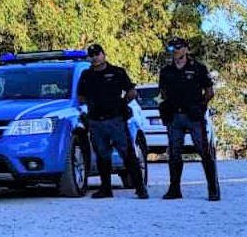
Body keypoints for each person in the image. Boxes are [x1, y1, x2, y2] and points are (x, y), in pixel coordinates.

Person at [77, 45, 147, 199]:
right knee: (102, 156)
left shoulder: (117, 72)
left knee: (128, 154)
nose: (95, 57)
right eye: (92, 54)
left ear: (104, 54)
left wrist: (122, 104)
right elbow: (80, 97)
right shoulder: (86, 75)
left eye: (97, 53)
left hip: (116, 120)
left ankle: (140, 188)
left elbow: (132, 91)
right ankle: (106, 189)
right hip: (96, 121)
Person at [158, 36, 219, 201]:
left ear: (186, 49)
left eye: (178, 47)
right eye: (171, 48)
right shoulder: (166, 71)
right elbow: (162, 94)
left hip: (193, 115)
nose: (175, 50)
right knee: (174, 152)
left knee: (204, 151)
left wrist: (201, 105)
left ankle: (213, 189)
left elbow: (209, 91)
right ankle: (174, 189)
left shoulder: (198, 68)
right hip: (174, 116)